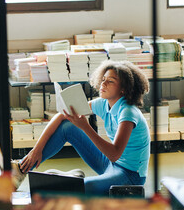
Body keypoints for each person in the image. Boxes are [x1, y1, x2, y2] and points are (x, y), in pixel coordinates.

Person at [12, 60, 150, 196]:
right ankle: (20, 169)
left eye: (111, 81)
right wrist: (36, 150)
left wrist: (86, 127)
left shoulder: (128, 112)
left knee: (83, 187)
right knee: (67, 126)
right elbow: (62, 115)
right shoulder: (104, 103)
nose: (103, 83)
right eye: (103, 79)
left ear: (123, 89)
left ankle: (70, 178)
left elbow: (114, 154)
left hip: (130, 175)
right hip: (109, 165)